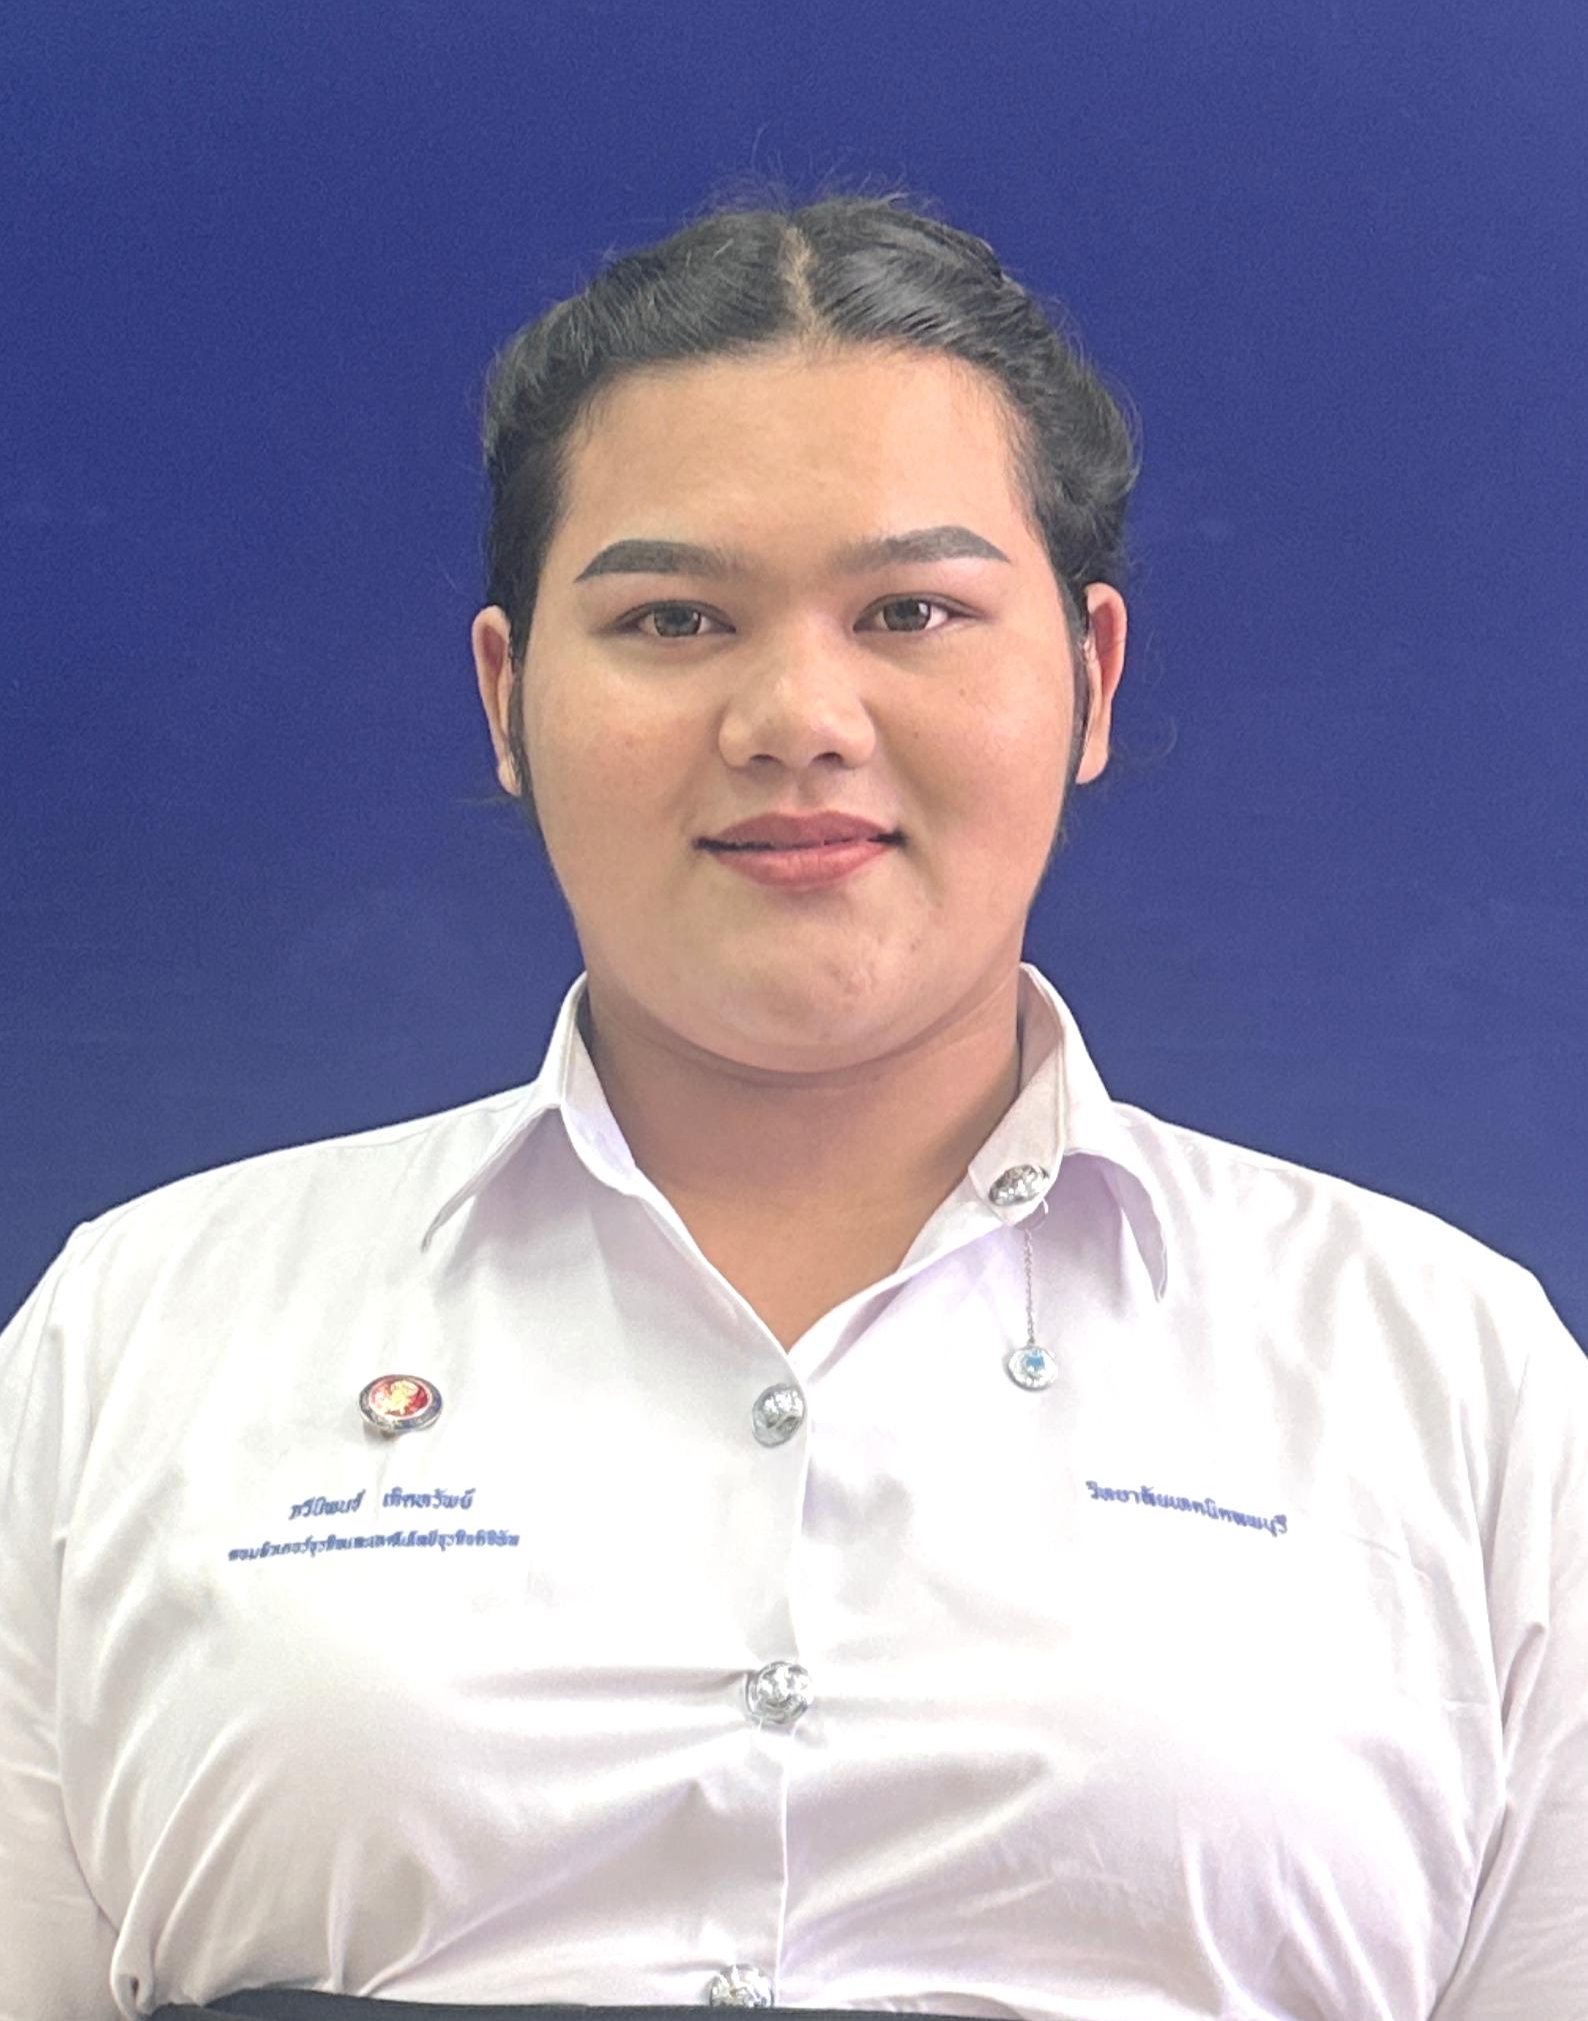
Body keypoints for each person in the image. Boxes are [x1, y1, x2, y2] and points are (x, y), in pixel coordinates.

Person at [2, 184, 1584, 2021]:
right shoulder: (138, 1335)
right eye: (674, 618)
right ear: (508, 698)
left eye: (912, 609)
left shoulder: (1451, 1377)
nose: (796, 717)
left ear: (1091, 678)